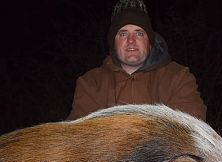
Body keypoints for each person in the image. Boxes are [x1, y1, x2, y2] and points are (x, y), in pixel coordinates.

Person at [67, 0, 207, 120]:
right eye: (123, 34)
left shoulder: (178, 77)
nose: (131, 40)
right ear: (113, 44)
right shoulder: (90, 83)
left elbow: (189, 132)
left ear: (150, 42)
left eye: (139, 33)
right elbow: (77, 137)